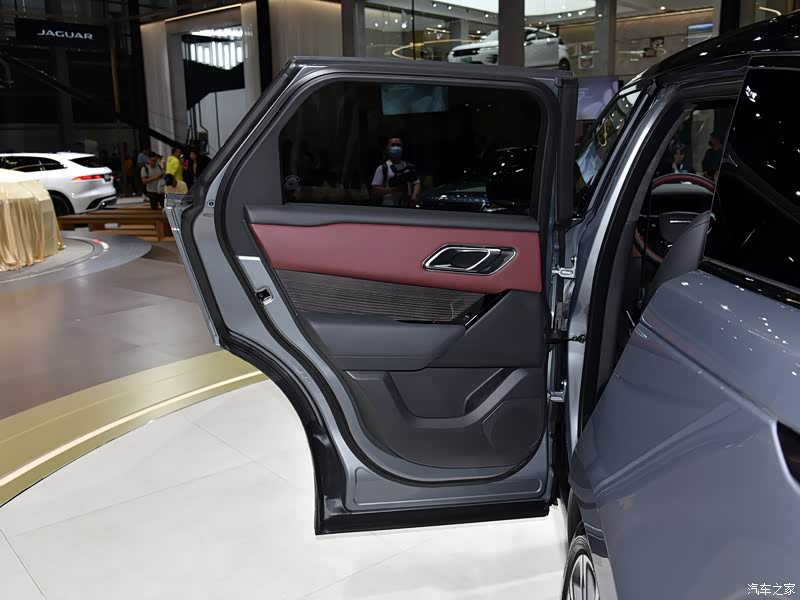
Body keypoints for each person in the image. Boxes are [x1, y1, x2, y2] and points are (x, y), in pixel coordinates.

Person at [370, 137, 421, 207]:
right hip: (388, 207)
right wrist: (395, 189)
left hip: (406, 207)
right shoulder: (383, 168)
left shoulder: (409, 167)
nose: (396, 147)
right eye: (393, 145)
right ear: (387, 148)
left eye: (398, 145)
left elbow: (416, 183)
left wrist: (413, 199)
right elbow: (375, 190)